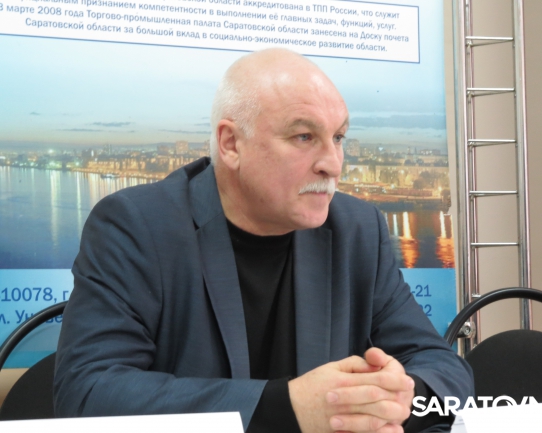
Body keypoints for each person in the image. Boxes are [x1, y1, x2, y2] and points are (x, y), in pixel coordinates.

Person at [54, 48, 473, 433]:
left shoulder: (357, 229)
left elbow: (444, 370)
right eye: (304, 137)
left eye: (339, 137)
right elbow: (87, 394)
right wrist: (288, 408)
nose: (332, 164)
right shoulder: (136, 226)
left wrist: (395, 398)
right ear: (231, 144)